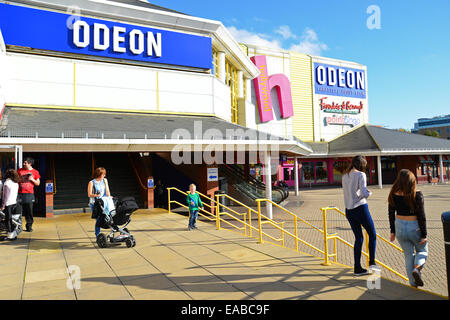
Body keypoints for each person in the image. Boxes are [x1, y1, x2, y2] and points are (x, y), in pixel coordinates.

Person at [388, 169, 428, 287]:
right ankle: (417, 269)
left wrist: (392, 232)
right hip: (414, 227)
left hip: (399, 226)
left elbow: (391, 213)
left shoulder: (393, 194)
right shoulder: (417, 194)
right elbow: (421, 216)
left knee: (408, 255)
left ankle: (412, 283)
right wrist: (424, 234)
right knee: (422, 251)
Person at [342, 155, 379, 276]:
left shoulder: (345, 176)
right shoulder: (360, 175)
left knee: (359, 238)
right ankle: (372, 263)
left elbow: (350, 193)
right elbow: (363, 192)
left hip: (349, 210)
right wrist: (369, 193)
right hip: (360, 208)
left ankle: (357, 267)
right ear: (362, 165)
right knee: (372, 234)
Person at [17, 158, 40, 232]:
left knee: (29, 211)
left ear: (30, 163)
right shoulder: (19, 170)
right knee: (18, 211)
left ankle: (29, 226)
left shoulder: (35, 172)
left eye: (25, 163)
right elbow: (15, 180)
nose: (23, 164)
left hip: (29, 194)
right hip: (19, 194)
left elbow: (38, 183)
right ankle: (18, 226)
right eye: (24, 162)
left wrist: (32, 179)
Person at [87, 167, 112, 237]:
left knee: (109, 216)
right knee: (98, 219)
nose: (104, 176)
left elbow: (107, 192)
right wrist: (96, 195)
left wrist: (109, 196)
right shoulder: (91, 182)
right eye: (103, 174)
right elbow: (89, 194)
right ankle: (97, 234)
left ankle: (113, 230)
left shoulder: (104, 180)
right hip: (95, 203)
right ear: (99, 174)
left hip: (104, 202)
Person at [1, 169, 20, 240]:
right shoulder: (16, 183)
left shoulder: (7, 183)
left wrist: (3, 205)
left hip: (8, 204)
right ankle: (13, 235)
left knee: (8, 220)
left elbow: (5, 196)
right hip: (14, 203)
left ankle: (10, 235)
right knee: (12, 220)